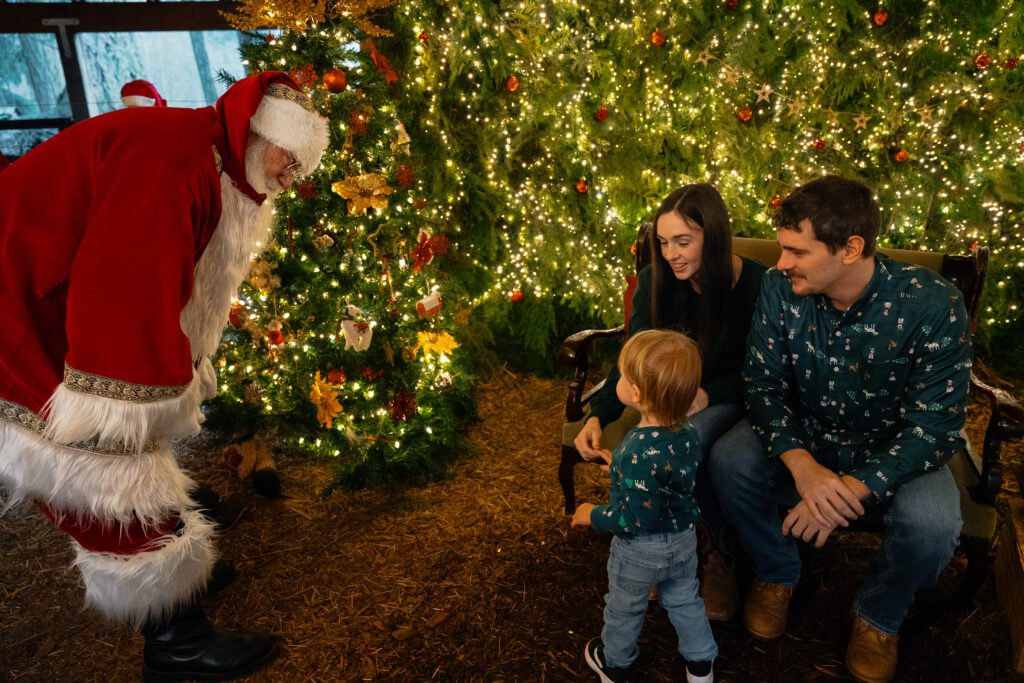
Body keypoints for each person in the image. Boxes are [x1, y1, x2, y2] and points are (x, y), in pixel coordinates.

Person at [0, 71, 329, 681]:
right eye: (292, 159)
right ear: (260, 134)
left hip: (38, 298)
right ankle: (175, 640)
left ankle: (177, 576)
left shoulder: (211, 157)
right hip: (19, 314)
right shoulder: (174, 162)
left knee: (117, 453)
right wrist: (122, 405)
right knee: (100, 466)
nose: (293, 178)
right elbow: (123, 293)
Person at [711, 175, 970, 683]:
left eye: (797, 251)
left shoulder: (933, 304)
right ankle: (777, 570)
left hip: (896, 445)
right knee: (728, 459)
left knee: (935, 523)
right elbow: (762, 385)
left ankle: (879, 616)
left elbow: (936, 428)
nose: (781, 262)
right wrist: (802, 466)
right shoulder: (779, 289)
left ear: (851, 248)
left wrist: (851, 488)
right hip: (804, 431)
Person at [571, 183, 766, 620]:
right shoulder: (657, 280)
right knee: (663, 435)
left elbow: (764, 371)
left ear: (712, 237)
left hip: (736, 396)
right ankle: (663, 546)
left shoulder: (755, 284)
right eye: (663, 242)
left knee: (682, 438)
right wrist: (597, 416)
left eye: (683, 240)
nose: (671, 253)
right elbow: (633, 360)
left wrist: (708, 394)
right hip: (674, 400)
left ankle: (716, 553)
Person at [572, 329, 717, 683]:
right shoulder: (687, 433)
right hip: (683, 542)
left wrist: (590, 513)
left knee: (625, 606)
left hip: (640, 553)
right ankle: (701, 665)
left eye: (622, 376)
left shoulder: (635, 450)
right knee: (685, 600)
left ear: (635, 393)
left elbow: (632, 519)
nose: (619, 380)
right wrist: (619, 469)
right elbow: (666, 477)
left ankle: (615, 665)